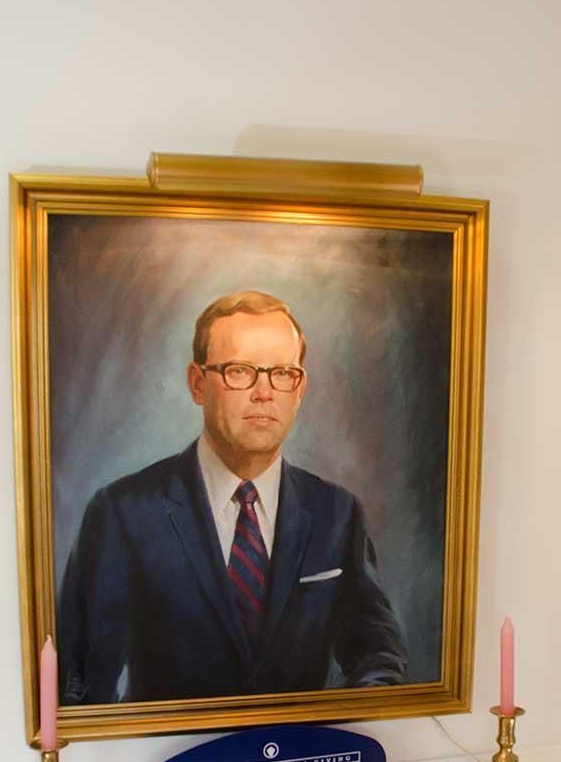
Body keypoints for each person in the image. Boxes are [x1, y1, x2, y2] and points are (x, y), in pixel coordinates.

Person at [58, 289, 407, 704]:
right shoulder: (123, 512)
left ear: (299, 389)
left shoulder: (336, 513)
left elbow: (379, 655)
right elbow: (80, 680)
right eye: (240, 371)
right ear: (197, 384)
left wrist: (341, 729)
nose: (264, 392)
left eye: (282, 373)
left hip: (304, 757)